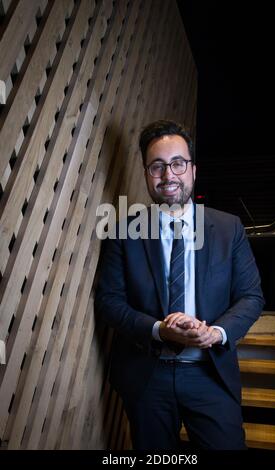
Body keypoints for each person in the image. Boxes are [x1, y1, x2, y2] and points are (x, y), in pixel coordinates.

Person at [95, 120, 264, 450]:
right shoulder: (123, 230)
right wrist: (159, 329)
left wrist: (215, 332)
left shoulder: (228, 228)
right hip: (146, 377)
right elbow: (109, 301)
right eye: (157, 166)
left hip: (210, 374)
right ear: (146, 173)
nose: (168, 175)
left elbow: (251, 296)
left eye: (177, 164)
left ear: (193, 170)